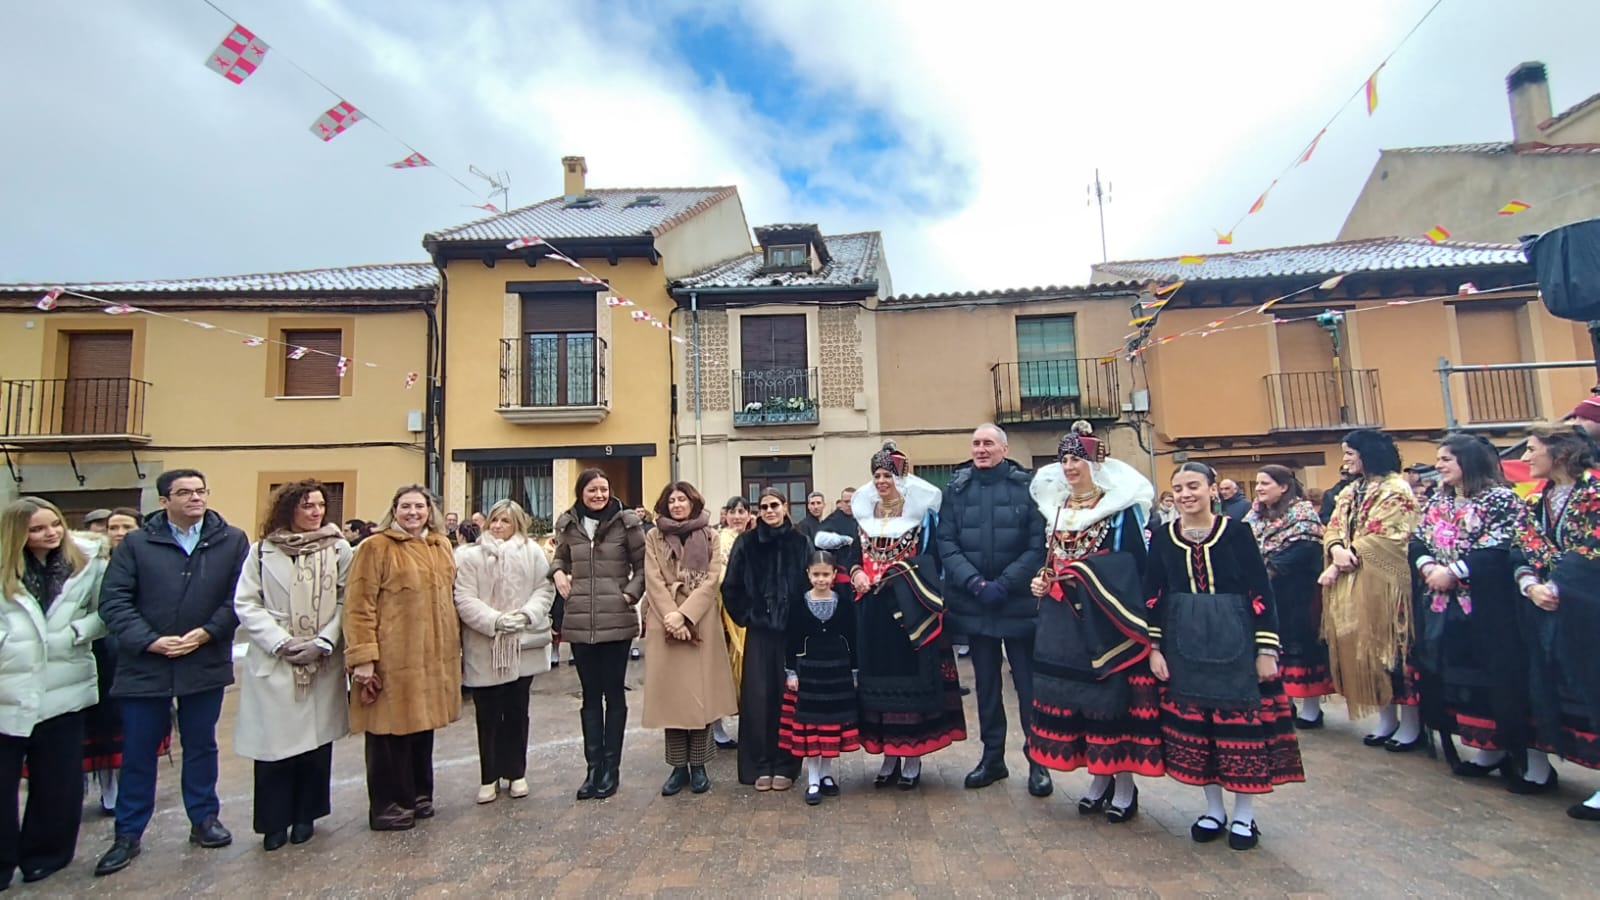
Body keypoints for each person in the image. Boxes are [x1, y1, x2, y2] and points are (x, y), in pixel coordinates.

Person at [94, 469, 248, 877]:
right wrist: (150, 640)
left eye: (201, 491)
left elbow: (239, 598)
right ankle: (127, 833)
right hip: (146, 663)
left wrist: (206, 633)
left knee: (201, 745)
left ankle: (203, 818)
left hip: (203, 659)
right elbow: (113, 602)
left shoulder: (230, 540)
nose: (195, 498)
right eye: (185, 492)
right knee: (140, 752)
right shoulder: (137, 544)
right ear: (164, 501)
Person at [1147, 463, 1304, 850]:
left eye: (1194, 486)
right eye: (1179, 488)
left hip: (1234, 636)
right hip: (1185, 640)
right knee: (1200, 729)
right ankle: (1213, 809)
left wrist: (1266, 648)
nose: (1186, 494)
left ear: (1212, 489)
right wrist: (1154, 647)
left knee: (1239, 726)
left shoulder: (1237, 533)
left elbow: (1260, 590)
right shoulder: (1164, 538)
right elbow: (1153, 594)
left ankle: (1245, 816)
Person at [1025, 423, 1160, 821]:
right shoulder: (1058, 510)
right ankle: (1098, 779)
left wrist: (1084, 578)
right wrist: (1042, 578)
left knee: (1110, 703)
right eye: (1064, 460)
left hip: (1105, 621)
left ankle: (1124, 785)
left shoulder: (1119, 513)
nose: (1069, 467)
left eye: (1077, 460)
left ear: (1095, 465)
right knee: (1077, 702)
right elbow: (1050, 560)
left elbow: (1133, 566)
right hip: (1062, 620)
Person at [232, 480, 351, 850]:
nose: (315, 512)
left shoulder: (338, 549)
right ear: (288, 510)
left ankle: (306, 816)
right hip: (276, 659)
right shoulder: (263, 552)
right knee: (273, 747)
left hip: (320, 657)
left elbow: (348, 600)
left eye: (319, 505)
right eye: (307, 506)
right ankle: (272, 822)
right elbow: (247, 602)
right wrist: (279, 641)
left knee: (315, 745)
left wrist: (324, 641)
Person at [1410, 436, 1534, 784]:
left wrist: (1454, 572)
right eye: (1439, 458)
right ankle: (1482, 747)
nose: (1440, 465)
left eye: (1447, 458)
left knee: (1489, 677)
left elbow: (1501, 545)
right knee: (1457, 677)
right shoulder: (1439, 499)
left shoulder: (1501, 499)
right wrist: (1428, 567)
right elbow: (1418, 538)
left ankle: (1507, 749)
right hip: (1440, 604)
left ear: (1468, 460)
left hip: (1486, 606)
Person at [936, 423, 1049, 795]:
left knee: (1027, 684)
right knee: (986, 685)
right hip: (975, 602)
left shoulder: (1026, 486)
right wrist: (975, 584)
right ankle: (992, 758)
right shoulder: (956, 488)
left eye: (988, 443)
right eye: (976, 443)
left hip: (1016, 602)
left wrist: (1005, 583)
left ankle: (1038, 761)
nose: (981, 449)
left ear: (1004, 447)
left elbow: (1037, 544)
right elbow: (946, 542)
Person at [0, 497, 107, 888]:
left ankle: (46, 855)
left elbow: (106, 611)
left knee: (57, 780)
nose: (51, 533)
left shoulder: (88, 562)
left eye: (55, 525)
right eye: (38, 529)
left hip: (64, 683)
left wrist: (79, 633)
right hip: (8, 683)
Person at [848, 442, 966, 790]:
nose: (882, 481)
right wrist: (856, 573)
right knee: (878, 684)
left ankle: (911, 756)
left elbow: (932, 562)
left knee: (911, 684)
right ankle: (888, 755)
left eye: (889, 475)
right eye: (878, 475)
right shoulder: (865, 517)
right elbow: (854, 555)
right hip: (873, 610)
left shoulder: (922, 518)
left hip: (910, 611)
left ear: (902, 478)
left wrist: (899, 572)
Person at [344, 485, 460, 831]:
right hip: (392, 657)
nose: (413, 513)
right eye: (405, 506)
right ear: (394, 510)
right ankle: (388, 804)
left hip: (432, 657)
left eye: (419, 507)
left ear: (429, 511)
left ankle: (419, 794)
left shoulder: (440, 545)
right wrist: (364, 657)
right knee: (387, 733)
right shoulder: (374, 547)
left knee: (421, 729)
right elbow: (358, 605)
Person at [1514, 423, 1600, 816]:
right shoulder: (1537, 501)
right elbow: (1521, 547)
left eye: (1533, 449)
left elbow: (1590, 549)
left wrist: (1560, 585)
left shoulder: (1594, 492)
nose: (1526, 457)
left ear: (1561, 452)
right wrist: (1531, 583)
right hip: (1549, 608)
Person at [1319, 429, 1423, 750]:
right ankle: (1385, 717)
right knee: (1367, 651)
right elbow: (1333, 526)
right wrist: (1335, 547)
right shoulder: (1350, 491)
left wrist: (1341, 561)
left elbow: (1391, 535)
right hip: (1353, 578)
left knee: (1396, 650)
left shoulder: (1396, 488)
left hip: (1387, 585)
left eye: (1350, 452)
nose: (1346, 459)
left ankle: (1411, 724)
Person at [551, 469, 645, 800]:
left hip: (616, 619)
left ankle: (612, 768)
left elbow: (644, 565)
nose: (599, 495)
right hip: (579, 621)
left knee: (614, 695)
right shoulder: (569, 524)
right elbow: (559, 557)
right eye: (592, 490)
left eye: (604, 489)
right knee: (590, 696)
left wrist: (629, 595)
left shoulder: (626, 523)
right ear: (581, 493)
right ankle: (593, 769)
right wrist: (559, 572)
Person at [454, 499, 554, 804]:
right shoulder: (468, 557)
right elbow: (463, 596)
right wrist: (494, 620)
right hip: (485, 644)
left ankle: (516, 772)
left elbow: (544, 588)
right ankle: (489, 775)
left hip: (521, 643)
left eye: (506, 521)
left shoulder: (533, 552)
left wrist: (526, 615)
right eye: (494, 520)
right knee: (487, 713)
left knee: (516, 711)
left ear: (517, 524)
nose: (499, 526)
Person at [642, 482, 736, 797]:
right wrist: (672, 617)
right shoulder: (654, 536)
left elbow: (712, 578)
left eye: (682, 499)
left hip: (700, 622)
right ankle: (677, 766)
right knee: (673, 700)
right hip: (665, 622)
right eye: (672, 500)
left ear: (692, 502)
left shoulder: (709, 535)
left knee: (700, 698)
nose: (677, 504)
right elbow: (653, 578)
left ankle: (699, 766)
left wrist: (686, 615)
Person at [722, 489, 810, 789]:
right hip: (759, 634)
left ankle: (786, 764)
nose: (770, 510)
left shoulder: (800, 543)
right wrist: (749, 615)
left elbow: (812, 583)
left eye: (775, 505)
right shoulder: (746, 543)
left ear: (785, 507)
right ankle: (759, 764)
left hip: (791, 633)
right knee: (758, 699)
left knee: (788, 699)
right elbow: (730, 586)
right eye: (764, 507)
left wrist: (802, 619)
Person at [1245, 466, 1334, 728]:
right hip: (1265, 593)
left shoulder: (1302, 513)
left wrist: (1269, 569)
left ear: (1283, 486)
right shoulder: (1255, 514)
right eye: (1258, 483)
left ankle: (1312, 708)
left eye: (1265, 483)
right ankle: (1285, 704)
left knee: (1302, 646)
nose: (1259, 488)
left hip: (1296, 591)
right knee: (1272, 645)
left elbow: (1306, 547)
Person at [781, 550, 860, 806]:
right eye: (816, 574)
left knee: (830, 726)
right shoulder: (798, 603)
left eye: (826, 574)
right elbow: (790, 640)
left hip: (836, 672)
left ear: (835, 575)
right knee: (812, 727)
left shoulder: (845, 604)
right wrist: (791, 671)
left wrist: (855, 671)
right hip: (810, 672)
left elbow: (853, 639)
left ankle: (827, 774)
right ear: (808, 575)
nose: (821, 579)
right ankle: (813, 777)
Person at [84, 507, 146, 816]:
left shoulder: (145, 561)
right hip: (99, 655)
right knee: (98, 728)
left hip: (134, 652)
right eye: (113, 527)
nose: (119, 532)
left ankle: (123, 791)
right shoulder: (89, 567)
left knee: (127, 729)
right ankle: (103, 790)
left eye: (126, 526)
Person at [712, 496, 754, 750]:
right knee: (721, 668)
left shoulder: (755, 538)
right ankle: (717, 728)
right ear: (725, 515)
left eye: (743, 511)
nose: (738, 516)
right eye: (734, 512)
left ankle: (749, 724)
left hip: (750, 613)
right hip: (722, 610)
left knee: (747, 670)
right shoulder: (717, 540)